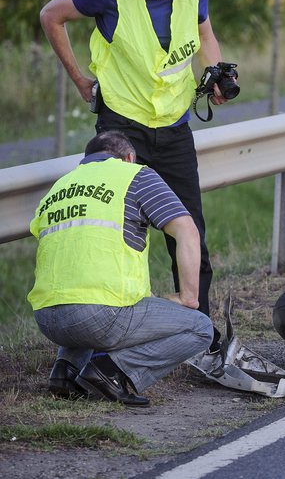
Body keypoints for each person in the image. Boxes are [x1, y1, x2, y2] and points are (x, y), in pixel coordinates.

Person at [39, 0, 233, 350]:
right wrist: (79, 80)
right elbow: (50, 15)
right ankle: (108, 331)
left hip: (174, 126)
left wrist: (215, 72)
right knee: (117, 231)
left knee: (188, 228)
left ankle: (197, 329)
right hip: (121, 126)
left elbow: (204, 32)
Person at [29, 131, 214, 407]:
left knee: (85, 295)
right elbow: (187, 231)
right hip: (100, 316)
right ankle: (111, 373)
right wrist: (188, 296)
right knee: (200, 328)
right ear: (129, 157)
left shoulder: (60, 187)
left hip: (47, 318)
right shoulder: (135, 175)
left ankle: (65, 371)